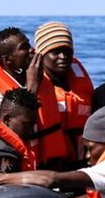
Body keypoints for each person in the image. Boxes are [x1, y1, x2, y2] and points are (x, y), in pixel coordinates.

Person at [0, 26, 73, 168]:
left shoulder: (42, 83)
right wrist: (32, 86)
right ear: (8, 60)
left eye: (29, 44)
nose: (32, 50)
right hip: (5, 166)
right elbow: (14, 134)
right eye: (24, 47)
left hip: (39, 168)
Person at [33, 21, 95, 162]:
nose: (63, 56)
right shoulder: (32, 86)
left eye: (68, 51)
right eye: (56, 52)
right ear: (41, 55)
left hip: (81, 163)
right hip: (47, 166)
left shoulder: (82, 85)